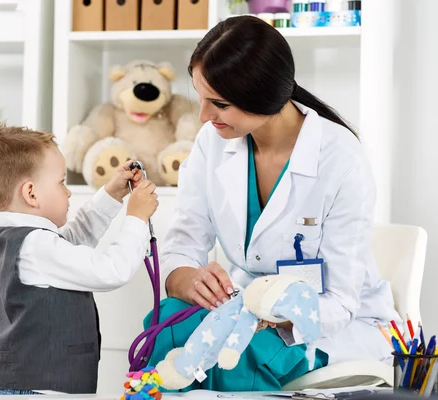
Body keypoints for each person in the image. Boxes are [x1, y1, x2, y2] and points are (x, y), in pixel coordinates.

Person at [145, 16, 401, 391]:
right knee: (166, 326)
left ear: (264, 97)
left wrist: (273, 309)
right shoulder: (212, 142)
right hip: (240, 304)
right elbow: (184, 243)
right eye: (201, 97)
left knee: (243, 356)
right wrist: (190, 281)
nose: (203, 116)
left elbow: (341, 303)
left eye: (218, 104)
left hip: (325, 321)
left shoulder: (341, 159)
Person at [0, 125, 159, 395]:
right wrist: (136, 218)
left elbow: (75, 238)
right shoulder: (36, 246)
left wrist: (112, 194)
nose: (68, 192)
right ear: (31, 194)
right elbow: (111, 271)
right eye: (61, 182)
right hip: (42, 390)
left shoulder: (29, 241)